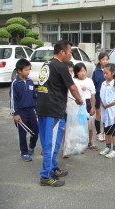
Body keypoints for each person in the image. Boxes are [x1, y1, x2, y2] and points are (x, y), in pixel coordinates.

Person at [36, 40, 84, 187]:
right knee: (50, 143)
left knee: (52, 141)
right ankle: (46, 176)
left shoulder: (47, 64)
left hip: (43, 108)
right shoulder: (61, 66)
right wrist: (79, 100)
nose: (71, 54)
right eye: (70, 51)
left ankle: (53, 167)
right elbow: (73, 88)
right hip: (53, 110)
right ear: (62, 52)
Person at [10, 59, 39, 162]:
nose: (28, 72)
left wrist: (36, 109)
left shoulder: (30, 82)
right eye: (26, 70)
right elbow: (13, 99)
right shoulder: (15, 83)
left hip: (31, 111)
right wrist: (15, 113)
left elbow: (34, 97)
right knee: (22, 133)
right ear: (19, 70)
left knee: (35, 131)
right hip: (20, 112)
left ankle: (31, 147)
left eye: (29, 70)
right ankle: (24, 152)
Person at [73, 62, 98, 151]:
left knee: (89, 127)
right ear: (76, 72)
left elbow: (93, 94)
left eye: (84, 71)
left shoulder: (89, 81)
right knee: (78, 125)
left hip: (87, 103)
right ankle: (78, 143)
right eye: (80, 71)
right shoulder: (74, 81)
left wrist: (93, 106)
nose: (83, 73)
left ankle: (89, 142)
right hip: (77, 104)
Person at [99, 63, 115, 158]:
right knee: (106, 130)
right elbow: (101, 97)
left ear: (113, 73)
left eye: (106, 73)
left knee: (114, 131)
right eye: (103, 73)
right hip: (104, 110)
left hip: (112, 110)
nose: (104, 75)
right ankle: (108, 147)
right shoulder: (103, 84)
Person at [92, 52, 109, 142]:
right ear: (99, 61)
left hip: (108, 96)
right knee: (98, 115)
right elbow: (93, 85)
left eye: (106, 59)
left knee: (106, 115)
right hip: (99, 96)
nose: (105, 61)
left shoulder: (111, 70)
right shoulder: (96, 72)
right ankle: (98, 133)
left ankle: (105, 132)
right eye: (103, 60)